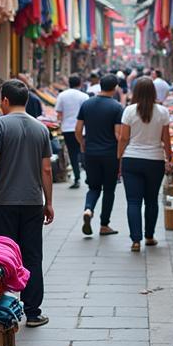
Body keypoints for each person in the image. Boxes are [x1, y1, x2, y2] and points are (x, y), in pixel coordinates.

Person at [0, 79, 54, 326]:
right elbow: (46, 169)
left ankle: (4, 310)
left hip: (4, 202)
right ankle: (33, 312)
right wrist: (48, 201)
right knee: (32, 256)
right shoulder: (41, 129)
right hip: (33, 202)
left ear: (6, 101)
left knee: (3, 255)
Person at [117, 77, 171, 252]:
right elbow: (166, 139)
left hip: (132, 159)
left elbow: (124, 138)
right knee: (151, 201)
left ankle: (135, 241)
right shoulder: (163, 112)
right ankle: (149, 236)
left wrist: (119, 157)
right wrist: (169, 158)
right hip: (155, 160)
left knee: (133, 202)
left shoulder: (129, 111)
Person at [75, 73, 124, 238]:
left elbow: (78, 129)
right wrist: (121, 153)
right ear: (115, 88)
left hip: (91, 153)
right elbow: (118, 134)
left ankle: (88, 209)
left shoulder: (87, 104)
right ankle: (104, 225)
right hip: (110, 154)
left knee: (93, 187)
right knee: (109, 189)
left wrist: (82, 143)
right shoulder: (117, 107)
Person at [55, 74, 89, 188]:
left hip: (67, 128)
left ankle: (77, 178)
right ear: (80, 83)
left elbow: (59, 113)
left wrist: (59, 124)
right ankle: (89, 176)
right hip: (82, 129)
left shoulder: (62, 95)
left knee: (72, 153)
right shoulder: (84, 96)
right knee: (83, 151)